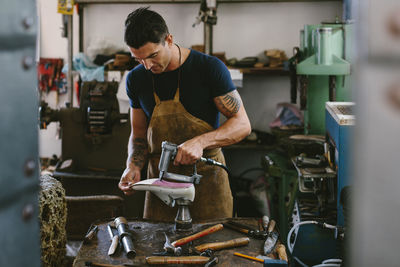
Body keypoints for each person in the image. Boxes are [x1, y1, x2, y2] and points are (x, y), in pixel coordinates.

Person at [118, 7, 251, 222]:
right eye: (139, 59)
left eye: (153, 56)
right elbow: (139, 134)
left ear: (169, 40)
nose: (148, 65)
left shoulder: (208, 69)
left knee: (215, 248)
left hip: (207, 182)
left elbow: (242, 124)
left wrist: (200, 142)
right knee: (159, 249)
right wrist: (132, 166)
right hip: (161, 187)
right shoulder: (136, 79)